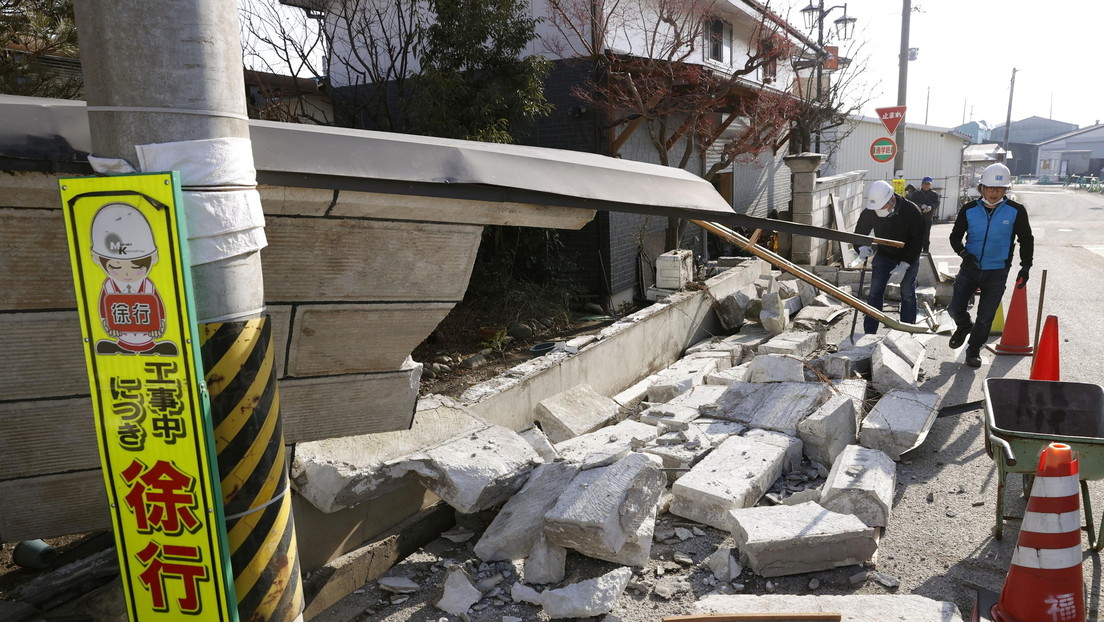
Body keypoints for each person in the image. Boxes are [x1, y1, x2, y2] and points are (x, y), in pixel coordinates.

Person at [947, 162, 1034, 368]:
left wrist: (1026, 266)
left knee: (986, 317)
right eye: (990, 188)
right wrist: (963, 253)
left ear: (1005, 189)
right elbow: (955, 237)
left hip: (997, 271)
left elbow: (1026, 239)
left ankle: (973, 350)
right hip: (970, 268)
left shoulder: (1016, 211)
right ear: (982, 188)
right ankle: (963, 325)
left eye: (1000, 188)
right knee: (954, 309)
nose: (995, 192)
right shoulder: (968, 209)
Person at [853, 179, 926, 335]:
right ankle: (869, 333)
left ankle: (906, 332)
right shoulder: (870, 211)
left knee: (907, 294)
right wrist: (860, 247)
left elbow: (917, 241)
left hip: (908, 257)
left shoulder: (911, 211)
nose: (879, 211)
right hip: (884, 256)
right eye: (876, 208)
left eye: (882, 207)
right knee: (874, 294)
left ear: (892, 199)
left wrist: (905, 263)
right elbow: (859, 233)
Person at [907, 176, 940, 253]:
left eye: (928, 184)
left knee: (926, 236)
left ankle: (925, 252)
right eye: (925, 184)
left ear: (931, 185)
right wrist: (920, 205)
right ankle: (915, 252)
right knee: (916, 235)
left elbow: (937, 203)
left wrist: (931, 207)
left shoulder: (934, 194)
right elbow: (912, 202)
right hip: (917, 218)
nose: (926, 185)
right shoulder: (916, 193)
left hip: (928, 218)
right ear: (922, 184)